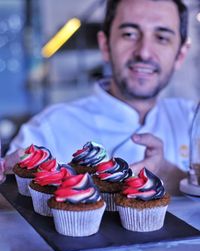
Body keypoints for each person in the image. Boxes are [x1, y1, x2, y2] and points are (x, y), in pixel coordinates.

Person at [2, 0, 196, 194]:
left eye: (161, 37)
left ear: (180, 54)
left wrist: (168, 173)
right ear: (105, 45)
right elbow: (7, 208)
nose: (144, 52)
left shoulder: (192, 120)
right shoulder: (47, 128)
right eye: (129, 34)